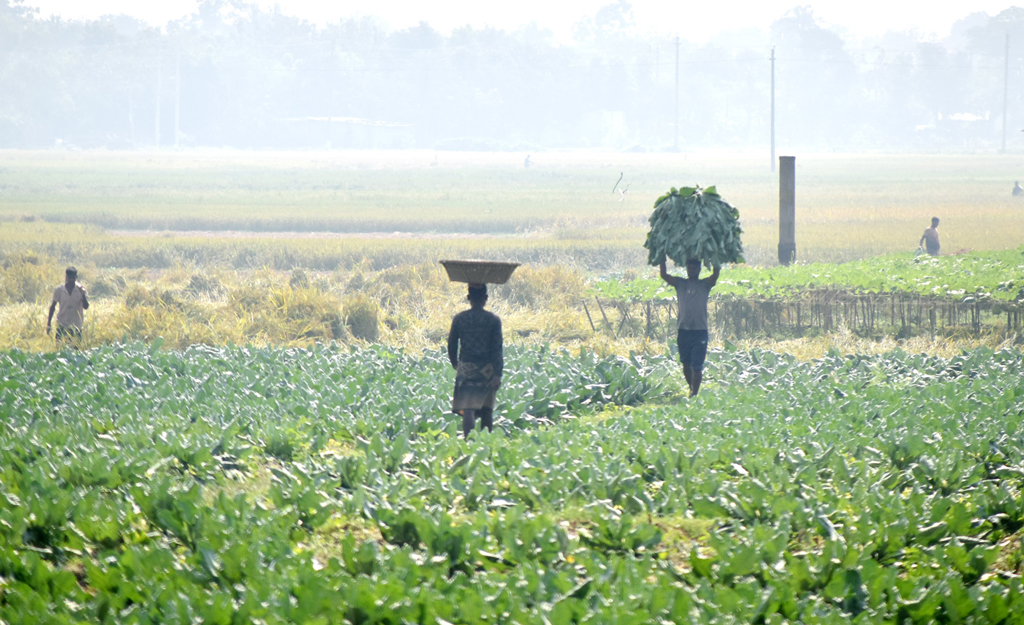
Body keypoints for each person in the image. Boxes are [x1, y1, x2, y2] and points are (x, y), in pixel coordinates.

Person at [448, 284, 503, 438]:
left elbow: (452, 344)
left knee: (468, 408)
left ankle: (469, 442)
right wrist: (498, 374)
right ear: (486, 298)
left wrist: (455, 363)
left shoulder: (460, 319)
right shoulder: (493, 320)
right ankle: (485, 442)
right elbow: (497, 349)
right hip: (487, 370)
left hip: (467, 369)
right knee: (487, 410)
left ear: (468, 298)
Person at [660, 259, 720, 397]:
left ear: (699, 269)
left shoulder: (705, 284)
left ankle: (695, 393)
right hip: (683, 330)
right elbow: (664, 275)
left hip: (700, 331)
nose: (691, 271)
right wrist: (662, 259)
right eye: (689, 268)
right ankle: (691, 388)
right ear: (686, 269)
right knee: (686, 364)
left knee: (697, 366)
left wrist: (716, 257)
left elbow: (715, 275)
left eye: (694, 268)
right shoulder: (680, 284)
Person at [47, 266, 89, 348]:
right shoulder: (60, 290)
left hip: (76, 326)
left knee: (76, 351)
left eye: (73, 278)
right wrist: (49, 324)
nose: (71, 280)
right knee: (60, 349)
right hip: (62, 324)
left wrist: (83, 295)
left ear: (76, 277)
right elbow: (52, 307)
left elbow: (86, 306)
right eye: (69, 278)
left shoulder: (81, 290)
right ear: (66, 277)